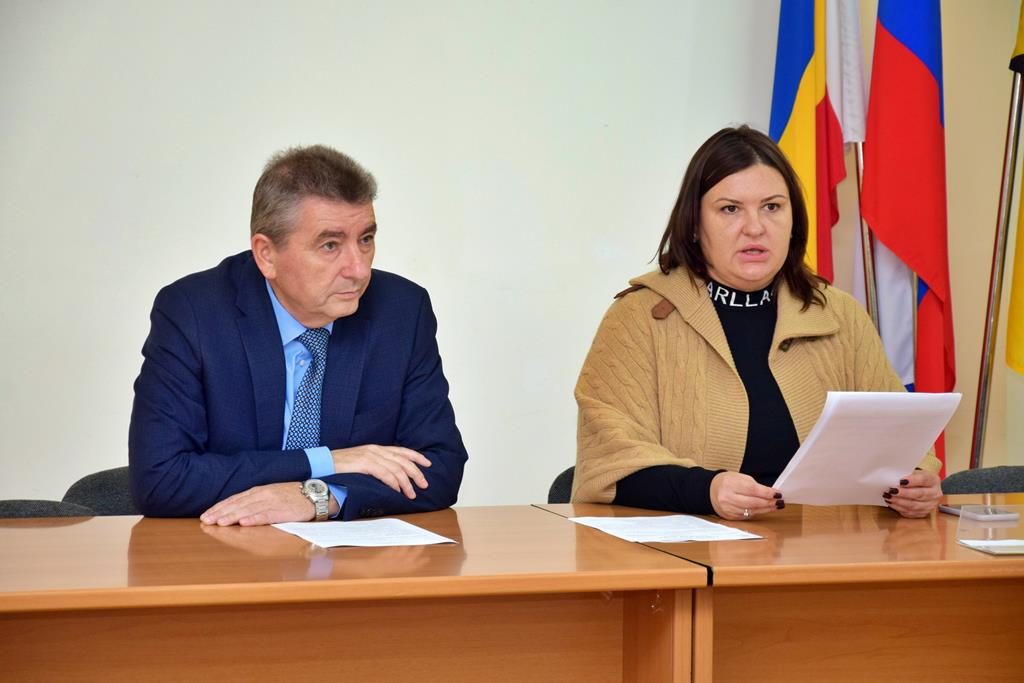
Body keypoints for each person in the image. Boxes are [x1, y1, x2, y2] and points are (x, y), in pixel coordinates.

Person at [572, 125, 942, 520]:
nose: (755, 227)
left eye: (772, 207)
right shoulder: (639, 318)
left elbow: (901, 441)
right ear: (694, 224)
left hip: (825, 548)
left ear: (794, 219)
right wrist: (706, 490)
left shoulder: (840, 316)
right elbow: (609, 463)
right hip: (688, 548)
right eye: (730, 209)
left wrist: (915, 483)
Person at [129, 145, 467, 525]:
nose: (358, 269)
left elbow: (439, 467)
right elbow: (160, 479)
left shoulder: (401, 312)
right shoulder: (194, 313)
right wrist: (328, 461)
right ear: (266, 255)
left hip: (351, 557)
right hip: (226, 550)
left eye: (366, 239)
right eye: (330, 245)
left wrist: (321, 496)